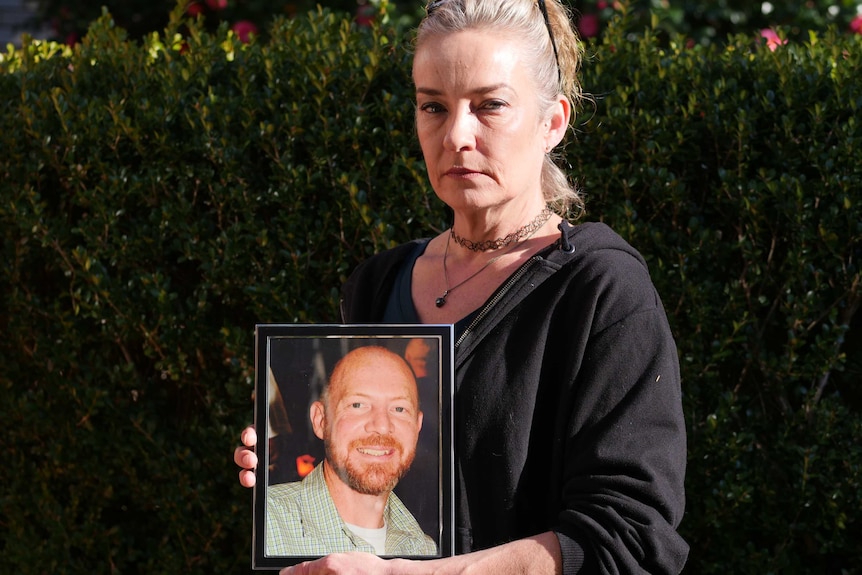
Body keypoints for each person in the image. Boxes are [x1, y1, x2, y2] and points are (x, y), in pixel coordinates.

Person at [235, 0, 689, 572]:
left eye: (490, 105)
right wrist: (295, 459)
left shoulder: (600, 291)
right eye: (434, 106)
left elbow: (629, 538)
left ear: (553, 122)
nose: (456, 135)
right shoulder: (379, 284)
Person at [265, 345, 437, 557]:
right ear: (321, 420)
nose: (382, 426)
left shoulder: (426, 550)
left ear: (417, 426)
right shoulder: (267, 524)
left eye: (399, 409)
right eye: (358, 405)